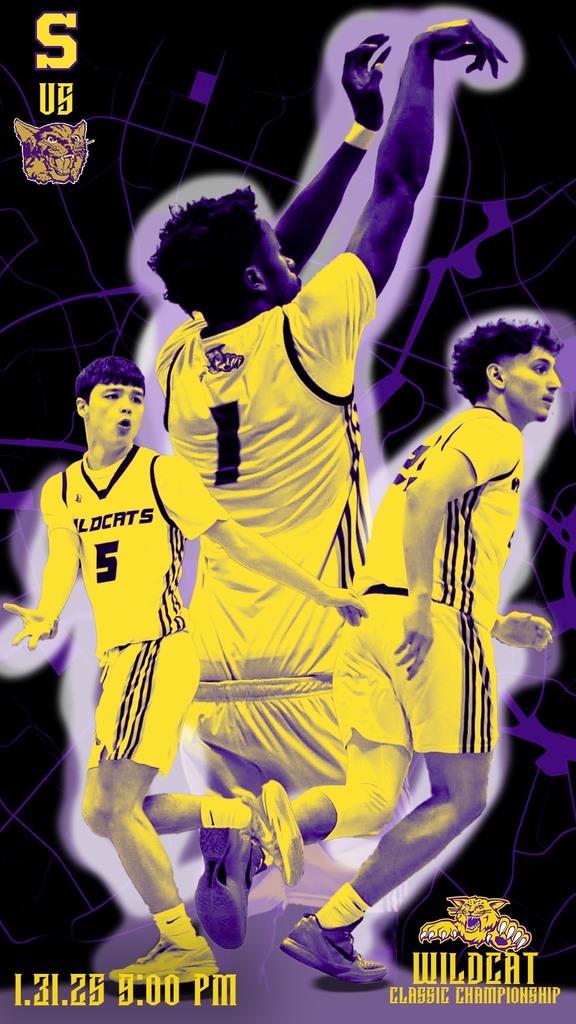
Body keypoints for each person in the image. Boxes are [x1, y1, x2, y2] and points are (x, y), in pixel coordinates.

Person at [146, 20, 507, 946]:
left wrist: (355, 131)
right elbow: (400, 189)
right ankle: (250, 842)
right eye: (274, 257)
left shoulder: (178, 357)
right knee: (382, 800)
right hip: (316, 653)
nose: (290, 256)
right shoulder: (312, 338)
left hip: (214, 660)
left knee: (279, 818)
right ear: (257, 277)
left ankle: (236, 837)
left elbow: (273, 254)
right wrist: (422, 68)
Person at [3, 355, 366, 983]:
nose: (126, 406)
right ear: (83, 407)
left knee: (117, 807)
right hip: (118, 660)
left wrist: (322, 592)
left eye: (135, 397)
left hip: (160, 648)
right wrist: (47, 612)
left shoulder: (162, 474)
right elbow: (66, 558)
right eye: (113, 396)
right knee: (101, 814)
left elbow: (235, 541)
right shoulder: (62, 490)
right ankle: (238, 817)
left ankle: (183, 947)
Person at [277, 317, 560, 983]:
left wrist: (493, 623)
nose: (554, 382)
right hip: (427, 624)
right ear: (497, 375)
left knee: (372, 798)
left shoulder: (444, 438)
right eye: (539, 367)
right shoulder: (493, 432)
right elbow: (429, 502)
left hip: (372, 623)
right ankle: (330, 927)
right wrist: (429, 608)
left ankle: (250, 833)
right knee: (460, 798)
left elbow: (426, 524)